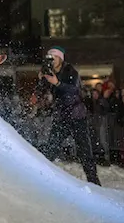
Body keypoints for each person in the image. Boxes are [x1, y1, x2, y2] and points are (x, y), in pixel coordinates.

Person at [36, 46, 101, 186]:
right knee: (51, 149)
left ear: (60, 59)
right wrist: (41, 79)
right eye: (50, 58)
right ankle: (39, 178)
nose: (52, 61)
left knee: (85, 152)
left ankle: (94, 183)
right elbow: (40, 92)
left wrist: (57, 83)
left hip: (77, 116)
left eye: (54, 58)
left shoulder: (71, 72)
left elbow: (73, 90)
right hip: (61, 117)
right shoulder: (49, 71)